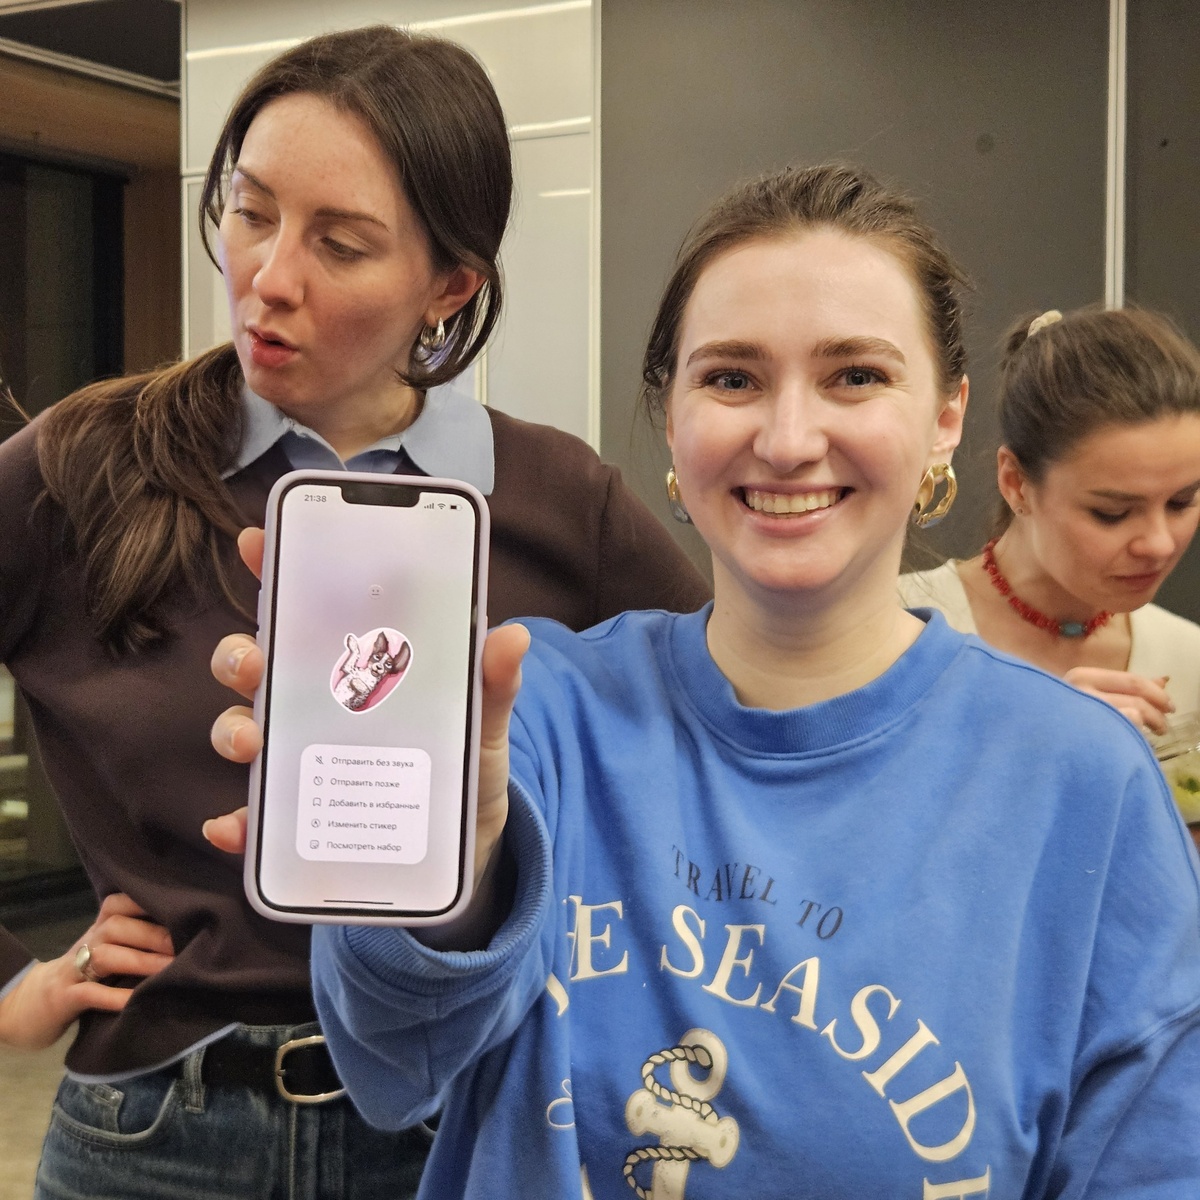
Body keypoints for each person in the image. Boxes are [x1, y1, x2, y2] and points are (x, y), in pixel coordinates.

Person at [210, 164, 1200, 1197]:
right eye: (732, 380)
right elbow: (392, 1066)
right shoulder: (533, 713)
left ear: (947, 418)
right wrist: (444, 885)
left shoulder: (1085, 783)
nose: (788, 439)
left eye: (856, 375)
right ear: (673, 420)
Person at [0, 25, 709, 1200]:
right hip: (154, 1132)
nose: (269, 277)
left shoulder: (553, 501)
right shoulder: (86, 465)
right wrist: (11, 984)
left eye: (340, 244)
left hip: (456, 1128)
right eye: (251, 212)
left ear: (450, 286)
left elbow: (732, 729)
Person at [899, 305, 1200, 736]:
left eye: (1182, 502)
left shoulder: (1188, 660)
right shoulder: (898, 625)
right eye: (1111, 513)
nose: (1159, 544)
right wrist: (1040, 741)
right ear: (1016, 484)